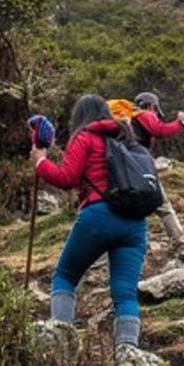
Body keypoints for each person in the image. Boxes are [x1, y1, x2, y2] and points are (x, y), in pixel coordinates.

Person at [30, 94, 147, 348]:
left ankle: (60, 344)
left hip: (98, 215)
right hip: (135, 222)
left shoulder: (84, 137)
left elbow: (67, 178)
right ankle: (129, 357)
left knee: (64, 277)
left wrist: (40, 161)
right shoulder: (128, 137)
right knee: (125, 293)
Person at [130, 92, 184, 258]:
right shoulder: (145, 115)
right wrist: (180, 123)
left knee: (133, 207)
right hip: (142, 167)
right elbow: (159, 130)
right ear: (152, 105)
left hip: (127, 167)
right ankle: (178, 240)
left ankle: (133, 245)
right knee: (163, 205)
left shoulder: (129, 118)